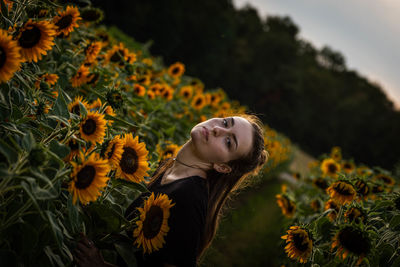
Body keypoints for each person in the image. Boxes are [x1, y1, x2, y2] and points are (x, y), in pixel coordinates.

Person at [74, 115, 268, 267]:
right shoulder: (170, 170)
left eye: (228, 142)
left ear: (223, 167)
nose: (218, 129)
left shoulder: (189, 199)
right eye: (226, 123)